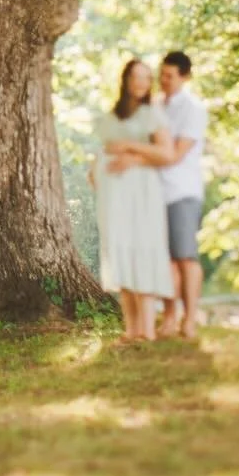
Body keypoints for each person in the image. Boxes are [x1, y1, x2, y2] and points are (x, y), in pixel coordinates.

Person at [106, 51, 208, 339]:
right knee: (163, 260)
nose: (163, 80)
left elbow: (174, 155)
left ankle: (190, 318)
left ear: (185, 77)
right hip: (153, 193)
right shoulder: (155, 104)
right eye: (161, 74)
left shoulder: (193, 109)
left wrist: (133, 158)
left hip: (181, 191)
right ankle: (170, 316)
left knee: (184, 256)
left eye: (169, 76)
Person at [90, 59, 176, 343]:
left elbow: (166, 154)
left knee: (142, 251)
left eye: (146, 77)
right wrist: (96, 169)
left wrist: (132, 151)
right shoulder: (112, 116)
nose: (141, 82)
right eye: (136, 77)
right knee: (120, 252)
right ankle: (131, 330)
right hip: (114, 196)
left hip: (142, 194)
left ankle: (147, 330)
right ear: (126, 79)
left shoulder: (152, 114)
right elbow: (104, 150)